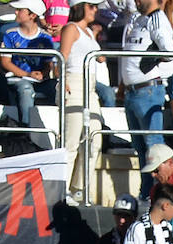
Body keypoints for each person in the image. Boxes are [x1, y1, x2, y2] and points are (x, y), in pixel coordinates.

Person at [120, 0, 173, 204]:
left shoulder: (157, 18)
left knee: (153, 148)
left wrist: (147, 63)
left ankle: (160, 195)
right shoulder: (140, 18)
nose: (137, 1)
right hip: (133, 92)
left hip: (147, 90)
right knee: (141, 148)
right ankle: (146, 193)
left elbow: (168, 51)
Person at [60, 0, 105, 205]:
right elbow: (63, 55)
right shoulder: (71, 28)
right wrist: (63, 81)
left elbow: (102, 58)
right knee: (71, 141)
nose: (95, 10)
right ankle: (63, 189)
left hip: (91, 87)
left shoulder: (87, 32)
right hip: (75, 84)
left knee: (94, 139)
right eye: (91, 6)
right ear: (80, 7)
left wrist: (95, 36)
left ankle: (79, 188)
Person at [0, 0, 57, 127]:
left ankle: (54, 128)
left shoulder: (45, 37)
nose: (16, 12)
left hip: (40, 80)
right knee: (26, 89)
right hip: (17, 79)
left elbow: (49, 63)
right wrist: (28, 74)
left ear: (32, 15)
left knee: (56, 88)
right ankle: (26, 130)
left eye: (20, 10)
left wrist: (42, 74)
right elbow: (5, 62)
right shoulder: (10, 34)